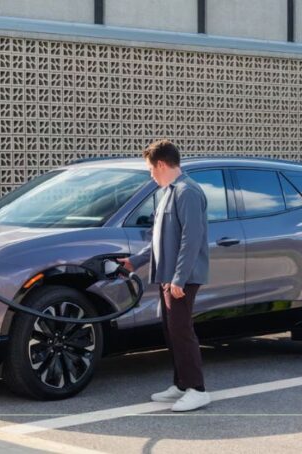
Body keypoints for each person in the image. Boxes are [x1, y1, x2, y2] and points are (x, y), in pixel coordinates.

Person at [118, 139, 211, 412]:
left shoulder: (187, 192)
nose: (150, 174)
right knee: (171, 330)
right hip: (168, 275)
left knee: (181, 331)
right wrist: (135, 262)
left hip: (182, 278)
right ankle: (181, 385)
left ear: (161, 164)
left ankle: (197, 389)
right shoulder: (168, 192)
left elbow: (191, 240)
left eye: (150, 169)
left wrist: (180, 279)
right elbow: (160, 239)